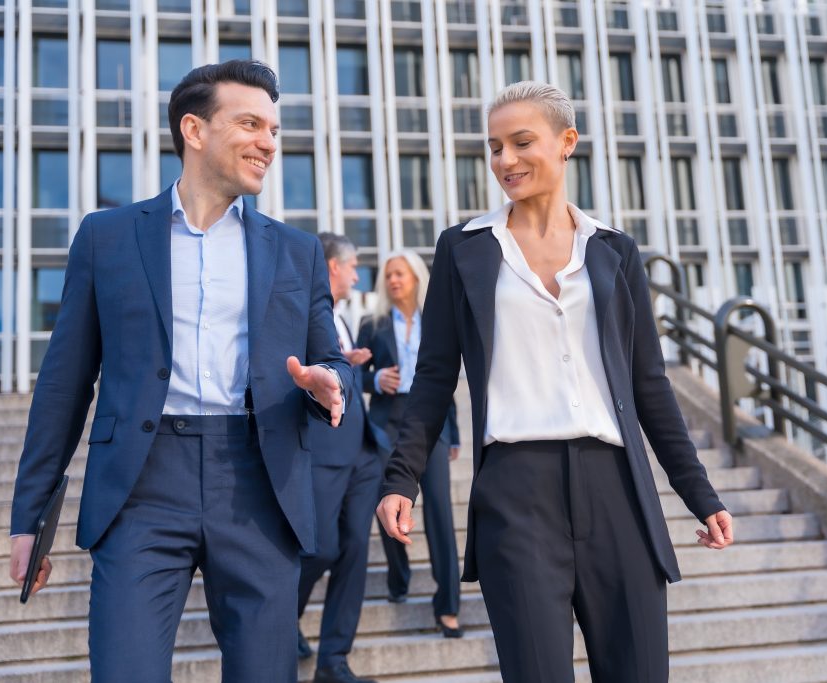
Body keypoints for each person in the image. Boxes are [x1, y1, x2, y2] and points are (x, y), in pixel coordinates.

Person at [376, 81, 735, 682]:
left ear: (567, 142)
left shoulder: (615, 250)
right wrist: (401, 478)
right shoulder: (464, 250)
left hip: (616, 488)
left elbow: (649, 382)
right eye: (494, 148)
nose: (505, 161)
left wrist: (700, 493)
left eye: (521, 142)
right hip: (516, 494)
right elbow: (435, 376)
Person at [8, 60, 353, 683]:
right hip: (141, 487)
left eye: (273, 129)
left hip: (259, 483)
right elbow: (64, 382)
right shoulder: (106, 238)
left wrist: (329, 383)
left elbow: (328, 360)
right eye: (250, 124)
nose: (268, 143)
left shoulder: (296, 252)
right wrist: (30, 517)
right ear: (194, 130)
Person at [357, 250, 463, 638]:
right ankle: (398, 578)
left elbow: (445, 377)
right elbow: (352, 372)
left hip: (428, 422)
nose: (393, 280)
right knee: (385, 505)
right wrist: (375, 378)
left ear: (417, 277)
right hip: (386, 421)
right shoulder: (373, 323)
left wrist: (453, 432)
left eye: (400, 273)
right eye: (388, 275)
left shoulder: (437, 320)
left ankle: (448, 606)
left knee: (439, 514)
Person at [296, 233, 383, 683]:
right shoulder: (302, 311)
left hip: (362, 450)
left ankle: (333, 661)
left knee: (354, 553)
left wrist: (348, 366)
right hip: (326, 448)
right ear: (332, 266)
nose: (355, 274)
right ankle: (278, 617)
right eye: (351, 267)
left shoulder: (344, 317)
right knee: (322, 547)